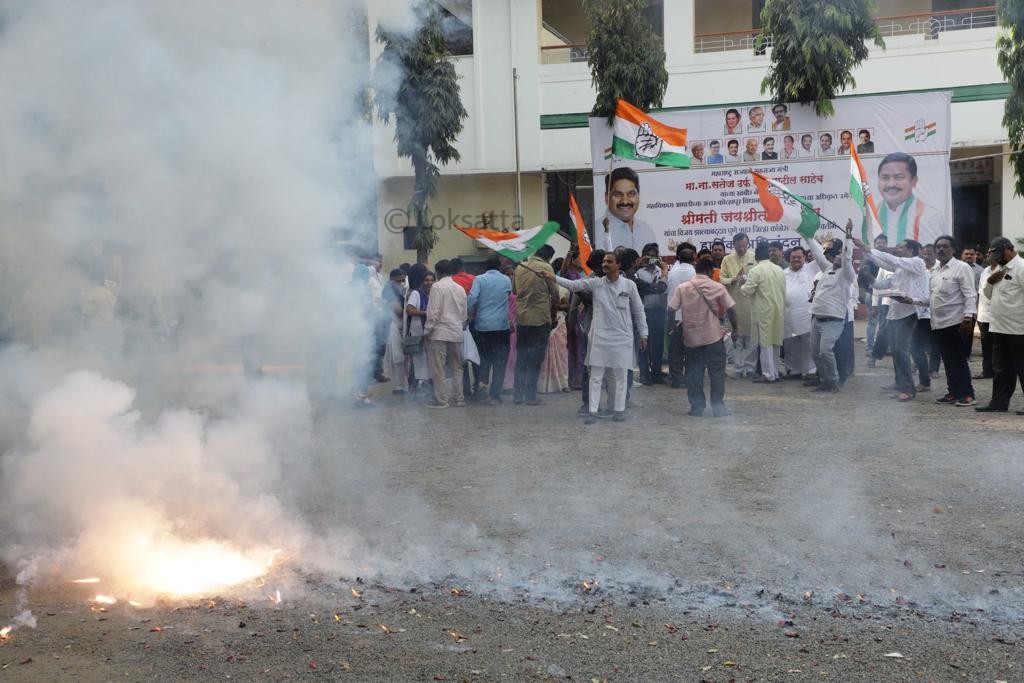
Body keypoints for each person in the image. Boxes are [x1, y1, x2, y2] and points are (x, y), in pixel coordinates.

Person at [550, 252, 648, 424]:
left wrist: (644, 333)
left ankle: (619, 410)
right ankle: (592, 411)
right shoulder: (596, 284)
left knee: (620, 376)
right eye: (604, 261)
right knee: (596, 376)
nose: (605, 264)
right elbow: (573, 286)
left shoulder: (629, 285)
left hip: (622, 338)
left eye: (609, 261)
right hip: (600, 337)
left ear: (618, 265)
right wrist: (552, 277)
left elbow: (639, 311)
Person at [856, 236, 931, 401]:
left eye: (902, 247)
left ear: (911, 250)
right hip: (894, 312)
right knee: (896, 349)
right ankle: (899, 383)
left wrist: (868, 248)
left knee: (901, 350)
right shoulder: (899, 269)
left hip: (910, 313)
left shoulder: (917, 263)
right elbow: (881, 283)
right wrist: (866, 264)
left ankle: (908, 389)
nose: (898, 249)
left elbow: (893, 260)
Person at [667, 258, 738, 417]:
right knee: (717, 374)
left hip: (691, 339)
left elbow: (671, 310)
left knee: (693, 373)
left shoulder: (682, 288)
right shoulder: (717, 287)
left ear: (696, 269)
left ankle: (696, 407)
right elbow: (732, 309)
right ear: (710, 271)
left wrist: (671, 328)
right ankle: (718, 407)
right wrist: (735, 330)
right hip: (713, 338)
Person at [916, 236, 977, 407]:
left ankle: (967, 395)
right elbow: (931, 298)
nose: (941, 250)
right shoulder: (935, 272)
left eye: (945, 247)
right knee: (948, 360)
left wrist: (968, 317)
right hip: (938, 323)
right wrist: (913, 300)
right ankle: (953, 392)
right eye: (938, 247)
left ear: (954, 249)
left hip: (957, 322)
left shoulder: (961, 268)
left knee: (958, 359)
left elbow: (970, 294)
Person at [975, 237, 1024, 413]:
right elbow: (988, 296)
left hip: (1018, 330)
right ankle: (999, 403)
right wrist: (990, 281)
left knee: (1022, 368)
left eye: (999, 254)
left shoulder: (1021, 268)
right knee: (1001, 369)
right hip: (999, 328)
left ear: (1010, 249)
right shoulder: (998, 270)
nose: (997, 258)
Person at [808, 229, 856, 392]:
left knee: (825, 351)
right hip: (817, 319)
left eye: (839, 255)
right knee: (815, 353)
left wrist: (848, 237)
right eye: (834, 255)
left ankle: (834, 381)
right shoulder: (827, 268)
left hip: (833, 320)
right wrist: (806, 235)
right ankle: (824, 380)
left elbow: (848, 258)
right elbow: (816, 252)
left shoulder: (847, 274)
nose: (836, 257)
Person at [513, 244, 559, 405]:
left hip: (522, 319)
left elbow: (514, 291)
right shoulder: (546, 267)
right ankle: (530, 395)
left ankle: (517, 394)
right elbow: (555, 293)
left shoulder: (520, 267)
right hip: (540, 318)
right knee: (535, 358)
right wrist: (554, 314)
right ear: (549, 257)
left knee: (522, 357)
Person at [467, 256, 512, 405]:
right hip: (501, 326)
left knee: (483, 359)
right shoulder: (506, 280)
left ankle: (482, 385)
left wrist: (466, 311)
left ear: (485, 267)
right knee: (500, 362)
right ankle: (495, 395)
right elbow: (508, 296)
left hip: (483, 326)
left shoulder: (479, 279)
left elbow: (472, 297)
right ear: (499, 267)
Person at [424, 259, 468, 409]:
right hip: (456, 332)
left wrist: (427, 331)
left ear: (437, 272)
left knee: (438, 368)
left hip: (439, 333)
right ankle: (459, 398)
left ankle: (442, 400)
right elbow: (464, 314)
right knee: (457, 367)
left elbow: (433, 313)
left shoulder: (437, 287)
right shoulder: (460, 288)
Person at [741, 241, 786, 382]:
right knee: (775, 342)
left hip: (763, 312)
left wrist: (743, 282)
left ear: (756, 256)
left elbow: (747, 291)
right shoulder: (779, 269)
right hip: (778, 310)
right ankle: (775, 373)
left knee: (765, 343)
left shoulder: (756, 270)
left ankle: (768, 375)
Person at [876, 153, 945, 245]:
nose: (891, 184)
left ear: (914, 180)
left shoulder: (930, 216)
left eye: (899, 177)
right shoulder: (870, 214)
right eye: (885, 177)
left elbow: (929, 256)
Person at [719, 232, 757, 378]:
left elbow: (759, 278)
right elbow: (721, 279)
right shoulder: (727, 259)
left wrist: (747, 279)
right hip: (733, 303)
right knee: (736, 339)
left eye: (744, 245)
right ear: (733, 245)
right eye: (739, 245)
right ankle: (739, 369)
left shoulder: (754, 257)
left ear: (748, 244)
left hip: (750, 304)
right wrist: (733, 280)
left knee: (751, 339)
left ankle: (751, 368)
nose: (742, 248)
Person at [782, 244, 819, 379]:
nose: (796, 259)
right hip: (788, 314)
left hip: (806, 314)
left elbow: (820, 256)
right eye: (793, 257)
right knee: (790, 345)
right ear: (789, 258)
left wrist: (814, 242)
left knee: (808, 344)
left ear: (804, 258)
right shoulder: (783, 273)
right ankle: (793, 371)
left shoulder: (811, 268)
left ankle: (810, 371)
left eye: (799, 257)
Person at [634, 242, 668, 384]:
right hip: (643, 312)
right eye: (648, 256)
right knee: (644, 345)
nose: (651, 259)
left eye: (654, 256)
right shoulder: (637, 274)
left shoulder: (661, 272)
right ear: (643, 257)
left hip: (658, 311)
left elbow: (665, 291)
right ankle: (644, 374)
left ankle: (656, 372)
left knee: (658, 344)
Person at [601, 167, 656, 252]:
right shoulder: (600, 230)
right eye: (618, 194)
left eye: (631, 194)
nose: (625, 201)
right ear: (606, 197)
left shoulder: (646, 230)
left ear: (638, 196)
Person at [666, 242, 697, 388]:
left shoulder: (671, 272)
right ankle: (690, 378)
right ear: (694, 258)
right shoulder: (695, 274)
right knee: (691, 351)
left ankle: (676, 378)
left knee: (675, 350)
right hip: (691, 318)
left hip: (674, 316)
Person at [404, 267, 434, 396]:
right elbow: (409, 309)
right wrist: (424, 313)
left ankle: (431, 390)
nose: (429, 283)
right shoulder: (416, 293)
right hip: (418, 334)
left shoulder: (435, 293)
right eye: (426, 280)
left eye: (432, 280)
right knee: (417, 362)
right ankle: (412, 390)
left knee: (431, 362)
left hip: (432, 334)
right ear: (422, 281)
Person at [561, 246, 587, 390]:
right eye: (579, 258)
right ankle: (573, 380)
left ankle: (580, 378)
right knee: (572, 348)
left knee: (579, 348)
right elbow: (563, 273)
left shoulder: (581, 275)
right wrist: (568, 255)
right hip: (570, 316)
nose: (582, 261)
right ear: (572, 260)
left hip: (580, 316)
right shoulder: (568, 274)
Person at [382, 268, 409, 395]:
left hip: (398, 326)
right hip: (393, 326)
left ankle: (401, 385)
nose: (402, 283)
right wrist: (410, 309)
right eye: (400, 280)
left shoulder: (398, 289)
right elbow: (397, 310)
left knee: (400, 358)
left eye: (403, 280)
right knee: (396, 358)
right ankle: (398, 386)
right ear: (393, 280)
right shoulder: (389, 290)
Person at [974, 250, 997, 380]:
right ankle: (987, 371)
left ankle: (1000, 371)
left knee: (999, 346)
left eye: (991, 254)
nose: (988, 256)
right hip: (983, 315)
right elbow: (980, 293)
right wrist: (977, 311)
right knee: (986, 346)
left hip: (997, 316)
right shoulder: (985, 271)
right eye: (987, 254)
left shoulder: (1002, 271)